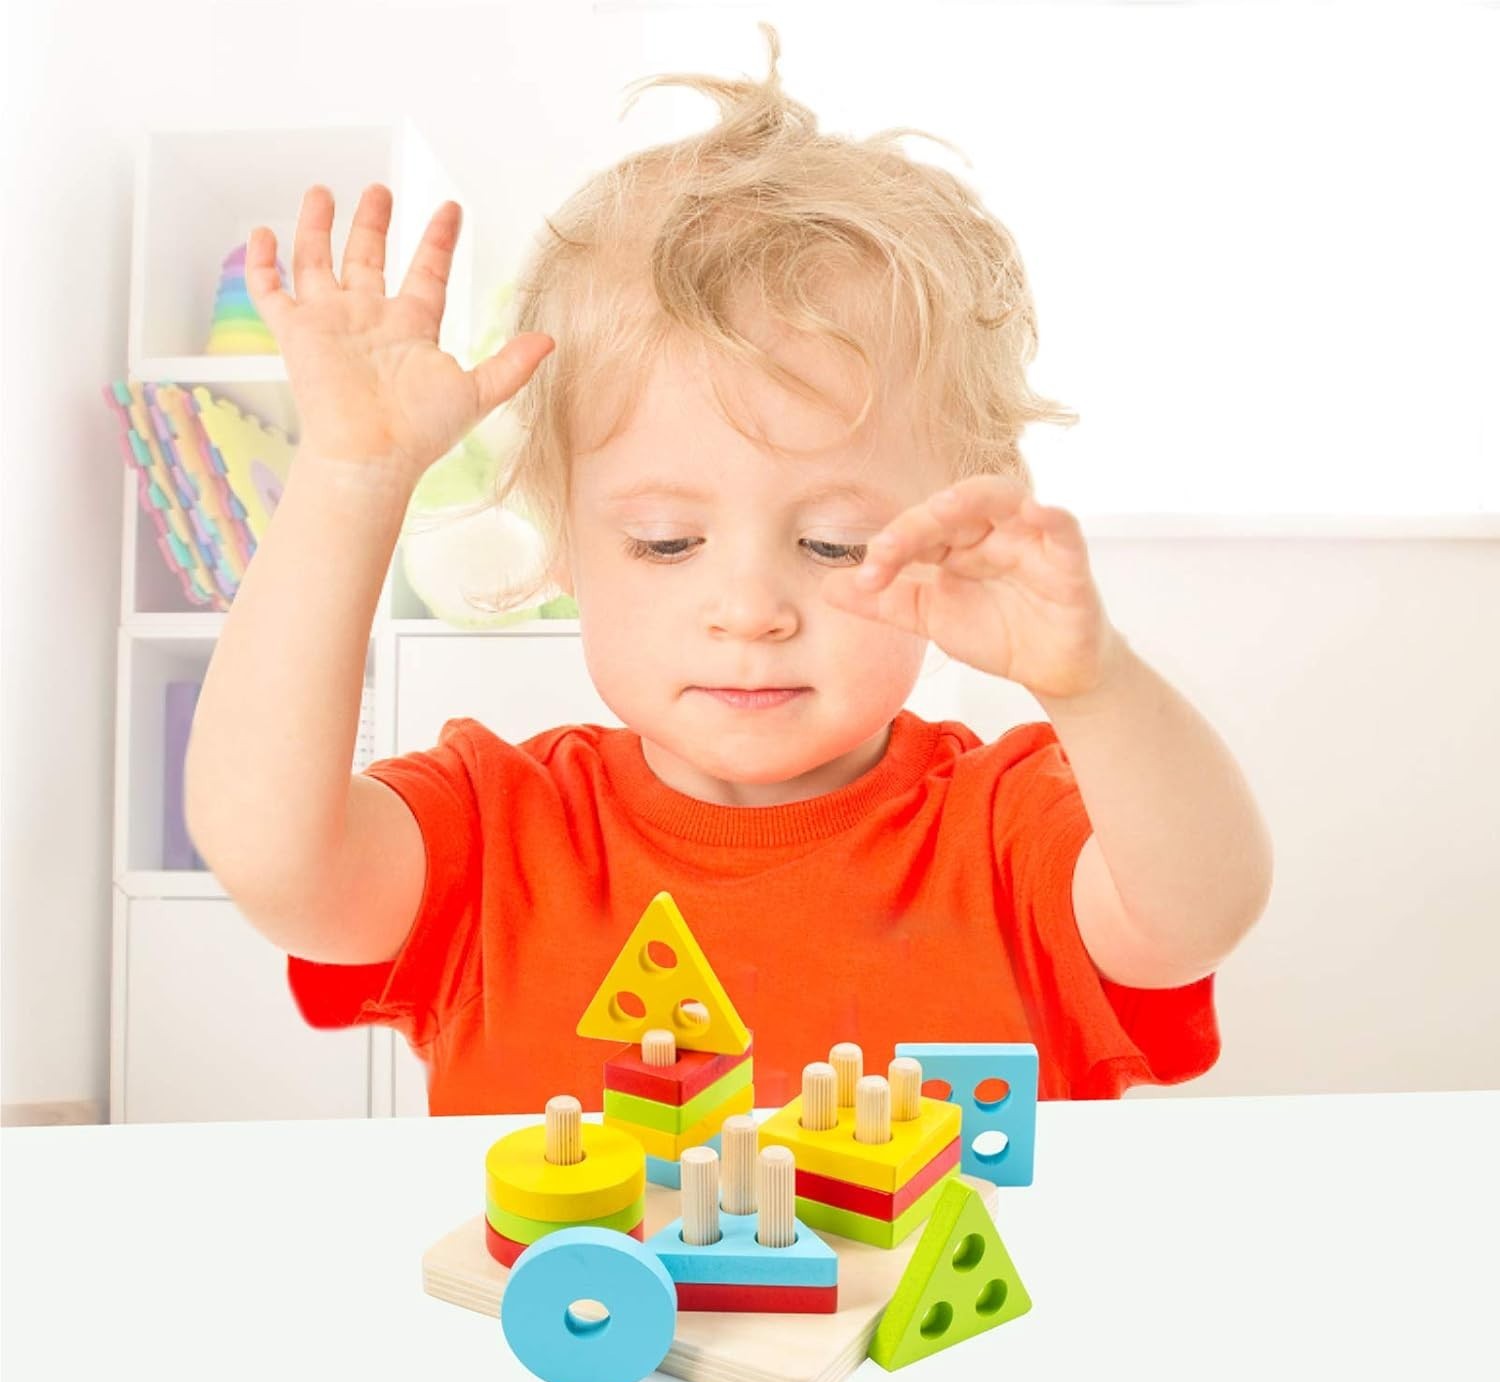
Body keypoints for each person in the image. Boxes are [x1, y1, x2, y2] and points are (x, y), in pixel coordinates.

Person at [184, 23, 1272, 1115]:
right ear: (565, 544)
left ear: (951, 533)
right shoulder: (496, 834)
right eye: (667, 541)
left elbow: (1195, 919)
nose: (750, 611)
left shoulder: (1006, 829)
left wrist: (1093, 682)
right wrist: (347, 480)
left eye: (835, 544)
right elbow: (274, 862)